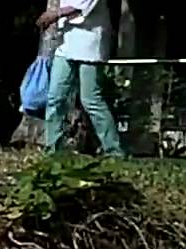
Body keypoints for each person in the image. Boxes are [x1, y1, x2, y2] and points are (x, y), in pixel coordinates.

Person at [36, 0, 126, 156]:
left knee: (91, 99)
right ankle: (52, 148)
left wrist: (54, 14)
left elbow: (79, 7)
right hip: (66, 44)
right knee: (55, 98)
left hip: (90, 45)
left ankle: (113, 150)